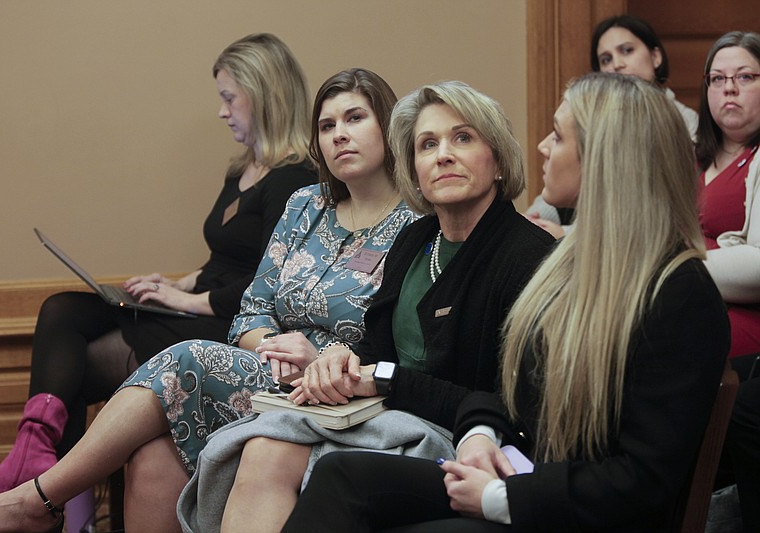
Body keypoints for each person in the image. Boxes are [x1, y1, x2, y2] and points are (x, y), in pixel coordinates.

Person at [0, 67, 415, 533]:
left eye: (354, 118)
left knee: (187, 357)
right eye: (326, 125)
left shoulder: (417, 225)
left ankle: (35, 501)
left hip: (347, 395)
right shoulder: (305, 205)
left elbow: (406, 348)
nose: (339, 135)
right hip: (270, 377)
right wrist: (276, 352)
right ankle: (36, 499)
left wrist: (317, 359)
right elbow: (251, 311)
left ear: (387, 125)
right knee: (152, 454)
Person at [281, 72, 730, 532]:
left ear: (604, 159)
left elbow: (642, 481)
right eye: (426, 145)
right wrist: (479, 435)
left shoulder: (678, 293)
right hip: (520, 471)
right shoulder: (574, 265)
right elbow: (513, 394)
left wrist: (499, 496)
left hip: (568, 509)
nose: (542, 147)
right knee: (342, 474)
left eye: (558, 136)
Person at [178, 81, 557, 533]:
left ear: (497, 159)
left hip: (469, 439)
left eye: (463, 138)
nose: (443, 155)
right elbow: (377, 352)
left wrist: (379, 378)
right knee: (261, 443)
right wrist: (341, 361)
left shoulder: (527, 256)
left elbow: (506, 405)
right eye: (427, 144)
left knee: (278, 449)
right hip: (386, 413)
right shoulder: (416, 241)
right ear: (412, 169)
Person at [0, 32, 316, 499]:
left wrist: (187, 298)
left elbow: (268, 282)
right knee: (62, 310)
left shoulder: (296, 179)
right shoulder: (242, 169)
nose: (222, 111)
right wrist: (171, 283)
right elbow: (225, 258)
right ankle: (36, 465)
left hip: (225, 328)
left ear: (264, 94)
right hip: (193, 306)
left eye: (229, 98)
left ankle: (43, 492)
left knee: (76, 365)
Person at [526, 14, 698, 239]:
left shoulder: (682, 121)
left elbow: (638, 204)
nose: (617, 64)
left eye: (627, 50)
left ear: (655, 56)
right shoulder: (601, 118)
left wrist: (566, 234)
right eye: (606, 59)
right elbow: (574, 177)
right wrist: (532, 220)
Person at [697, 30, 760, 532]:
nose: (729, 89)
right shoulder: (689, 157)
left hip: (745, 339)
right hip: (688, 320)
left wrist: (678, 261)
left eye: (745, 77)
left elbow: (759, 267)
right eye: (718, 79)